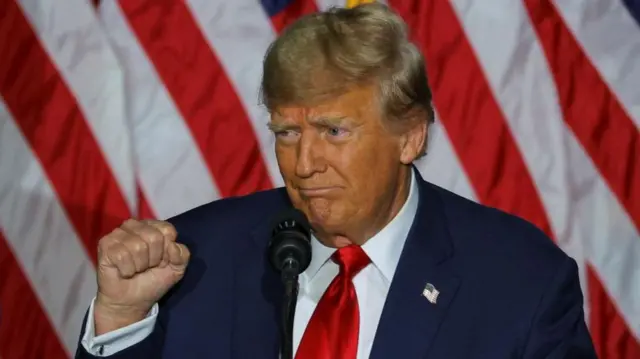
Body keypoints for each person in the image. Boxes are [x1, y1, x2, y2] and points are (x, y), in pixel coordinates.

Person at [75, 3, 597, 359]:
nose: (304, 163)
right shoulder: (193, 258)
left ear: (410, 136)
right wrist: (123, 317)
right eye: (286, 131)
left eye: (333, 130)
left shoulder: (520, 282)